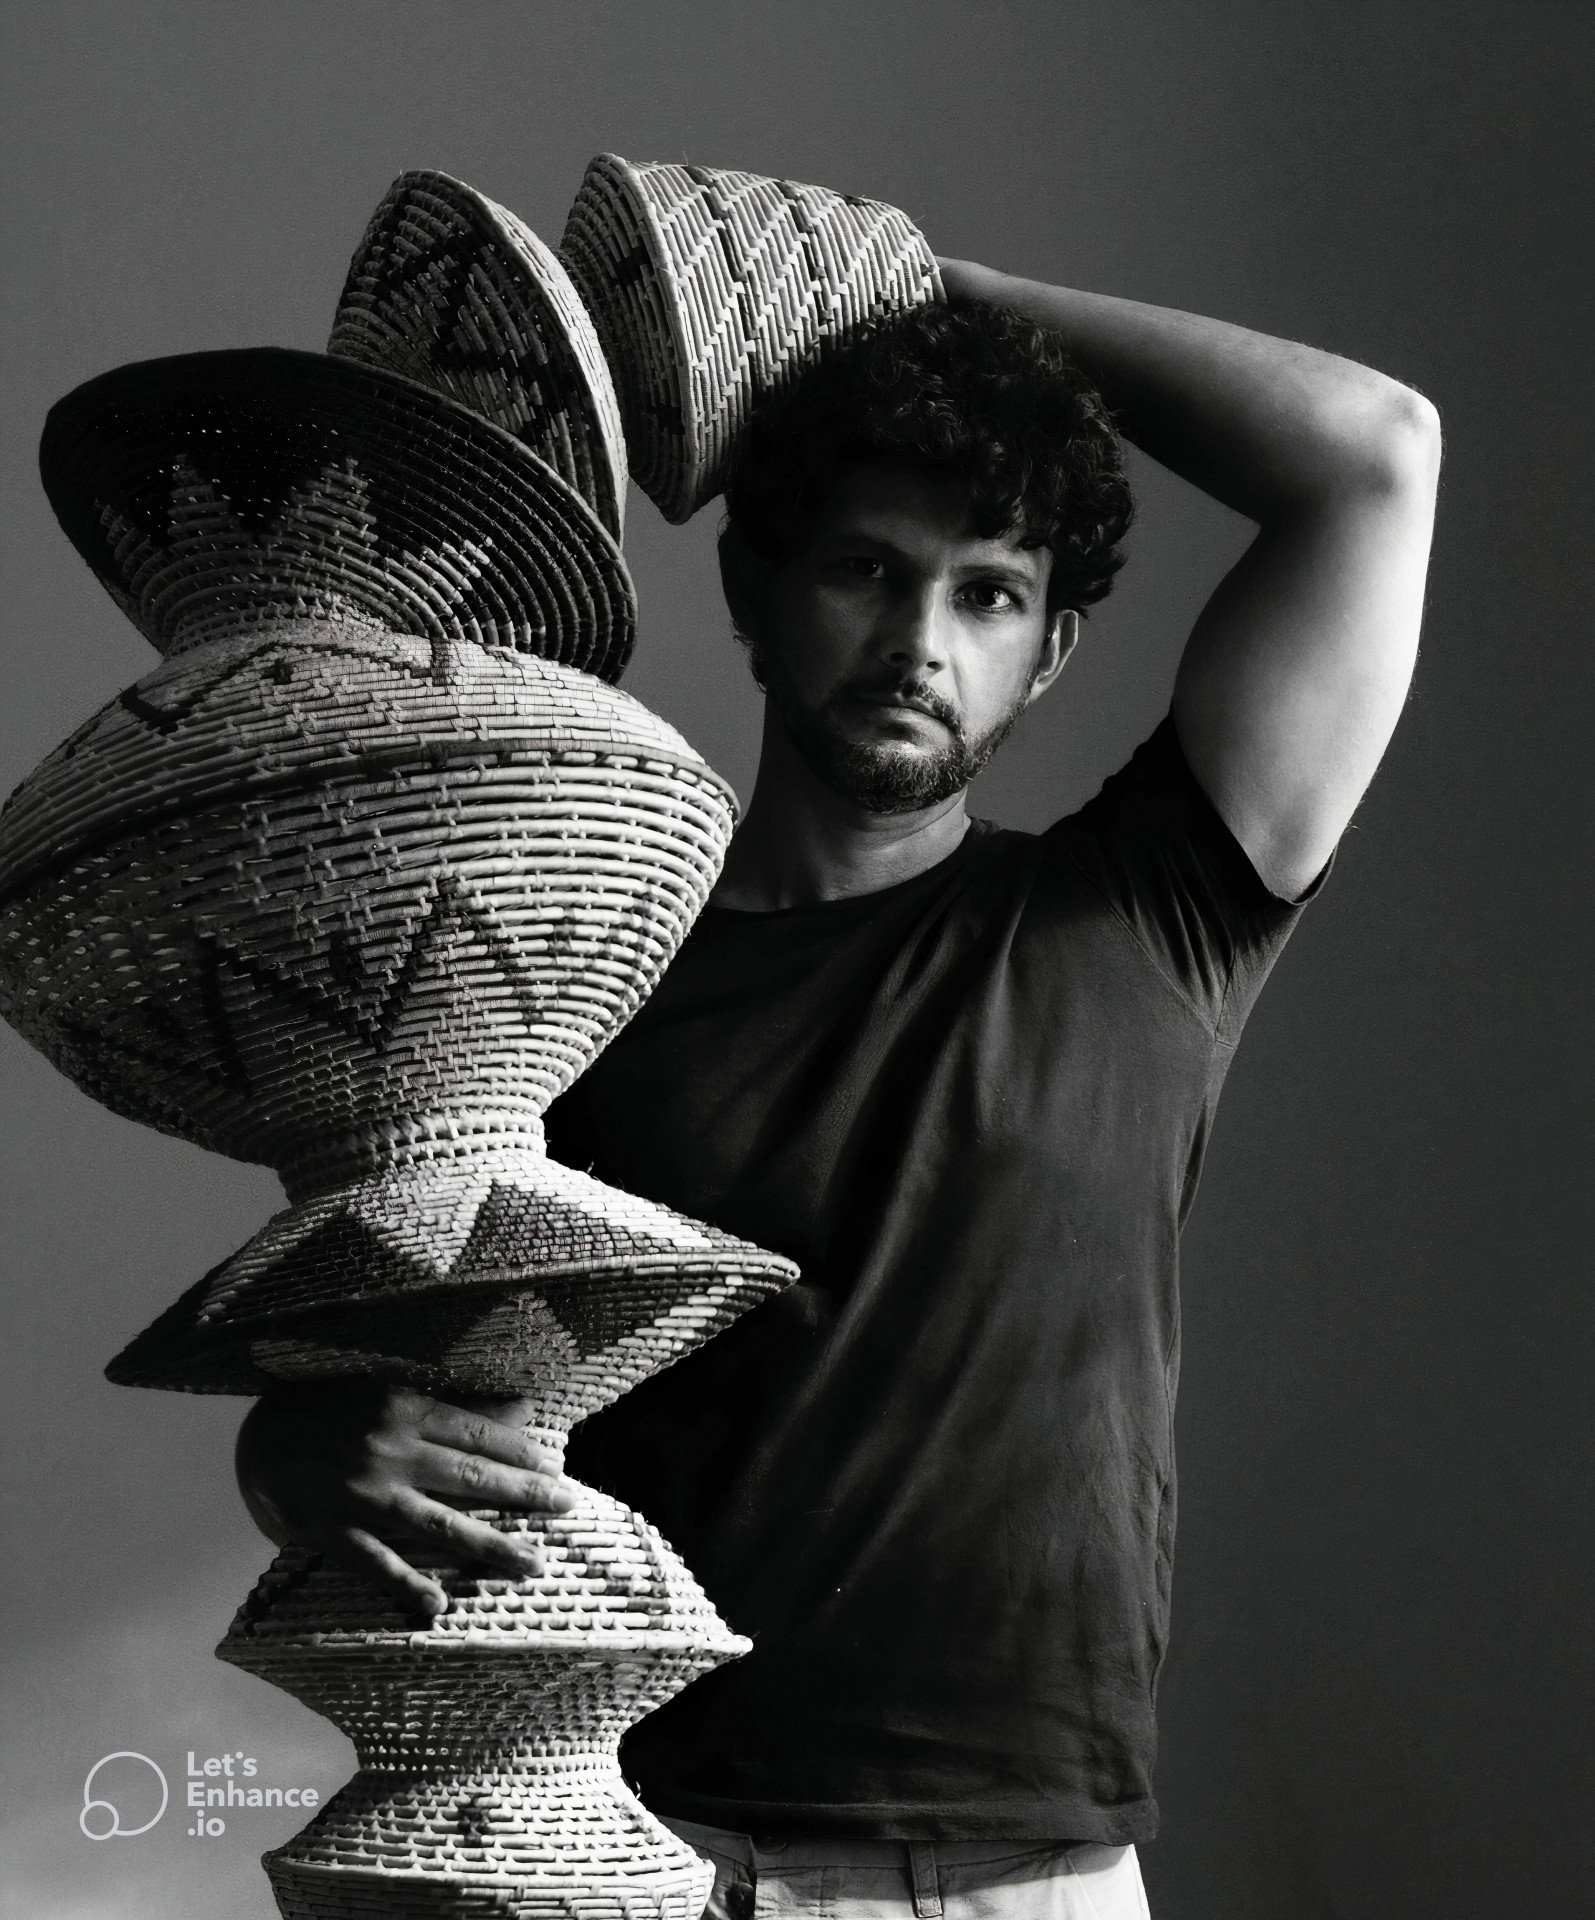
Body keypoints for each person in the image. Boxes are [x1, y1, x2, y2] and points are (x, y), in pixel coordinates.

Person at [235, 261, 1441, 1918]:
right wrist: (302, 1453)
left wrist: (913, 282)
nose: (920, 643)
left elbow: (1377, 454)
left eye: (987, 595)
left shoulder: (1151, 917)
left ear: (1051, 648)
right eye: (869, 569)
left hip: (1030, 1875)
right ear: (758, 585)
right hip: (622, 1849)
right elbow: (347, 1407)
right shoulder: (563, 979)